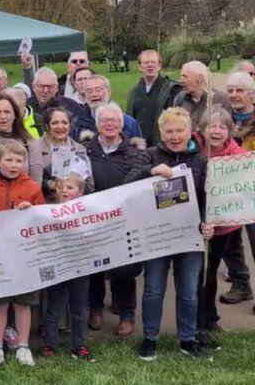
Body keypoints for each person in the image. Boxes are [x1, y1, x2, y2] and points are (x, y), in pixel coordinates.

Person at [125, 107, 213, 360]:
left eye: (180, 130)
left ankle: (188, 339)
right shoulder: (150, 155)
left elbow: (210, 198)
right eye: (169, 131)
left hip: (189, 236)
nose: (175, 136)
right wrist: (151, 172)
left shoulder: (201, 160)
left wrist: (208, 223)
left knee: (188, 291)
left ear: (190, 131)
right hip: (157, 236)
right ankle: (150, 339)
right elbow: (127, 184)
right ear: (160, 131)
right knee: (153, 289)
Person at [0, 139, 44, 367]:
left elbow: (41, 216)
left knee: (23, 302)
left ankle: (23, 346)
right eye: (9, 160)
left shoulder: (32, 186)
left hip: (23, 254)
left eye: (18, 160)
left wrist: (30, 211)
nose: (13, 165)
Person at [83, 102, 146, 336]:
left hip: (124, 220)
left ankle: (127, 312)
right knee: (95, 266)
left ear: (122, 123)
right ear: (97, 124)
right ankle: (95, 309)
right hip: (93, 218)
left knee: (124, 268)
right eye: (104, 121)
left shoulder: (134, 152)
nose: (110, 124)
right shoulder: (86, 150)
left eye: (114, 120)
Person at [196, 107, 246, 336]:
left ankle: (210, 319)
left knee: (210, 271)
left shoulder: (239, 156)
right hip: (194, 225)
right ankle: (193, 319)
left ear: (229, 132)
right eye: (211, 125)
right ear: (202, 129)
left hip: (223, 226)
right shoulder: (192, 150)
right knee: (194, 274)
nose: (216, 131)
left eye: (222, 126)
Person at [41, 173, 94, 361]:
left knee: (79, 309)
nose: (65, 191)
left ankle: (79, 345)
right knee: (53, 308)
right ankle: (50, 345)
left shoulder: (88, 211)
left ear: (80, 192)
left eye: (70, 188)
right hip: (57, 266)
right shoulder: (47, 211)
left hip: (81, 266)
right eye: (61, 188)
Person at [221, 71, 255, 305]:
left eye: (239, 90)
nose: (234, 95)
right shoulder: (222, 119)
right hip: (228, 191)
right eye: (230, 90)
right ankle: (241, 284)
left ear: (252, 93)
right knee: (230, 244)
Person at [28, 107, 94, 199]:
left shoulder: (79, 149)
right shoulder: (34, 147)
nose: (60, 127)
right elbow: (28, 181)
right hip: (45, 206)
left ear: (70, 125)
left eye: (64, 122)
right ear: (47, 126)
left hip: (75, 207)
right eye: (55, 123)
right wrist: (50, 184)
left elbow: (89, 185)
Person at [126, 50, 182, 146]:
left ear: (159, 66)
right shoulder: (134, 91)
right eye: (146, 63)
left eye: (153, 62)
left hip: (162, 145)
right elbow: (130, 119)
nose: (150, 65)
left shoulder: (171, 90)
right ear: (140, 67)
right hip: (139, 146)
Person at [71, 75, 142, 142]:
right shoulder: (77, 123)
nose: (94, 94)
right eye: (89, 91)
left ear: (109, 92)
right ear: (85, 96)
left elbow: (138, 150)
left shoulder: (128, 122)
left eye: (98, 90)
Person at [172, 61, 229, 129]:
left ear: (200, 78)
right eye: (181, 76)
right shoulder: (180, 98)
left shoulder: (221, 100)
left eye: (185, 76)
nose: (180, 81)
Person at [28, 67, 83, 135]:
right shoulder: (26, 108)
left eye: (49, 86)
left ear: (57, 87)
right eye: (41, 86)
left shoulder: (71, 107)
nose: (45, 90)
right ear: (33, 87)